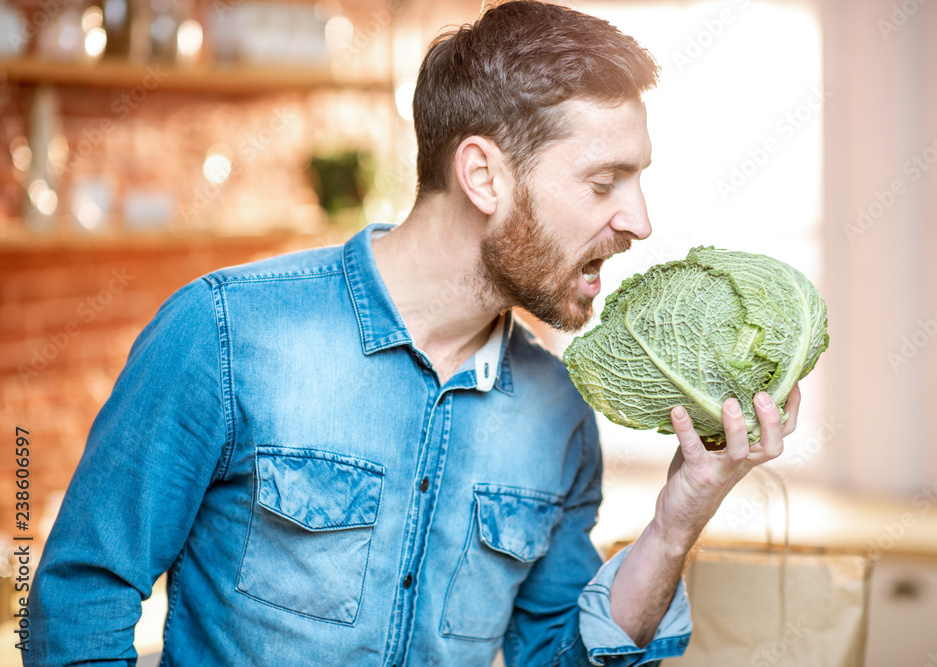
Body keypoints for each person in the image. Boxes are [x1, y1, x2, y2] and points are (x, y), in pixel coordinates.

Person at [28, 1, 800, 665]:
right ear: (483, 175)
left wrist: (672, 526)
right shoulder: (225, 334)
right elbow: (79, 597)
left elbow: (557, 656)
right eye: (604, 183)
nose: (638, 221)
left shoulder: (557, 412)